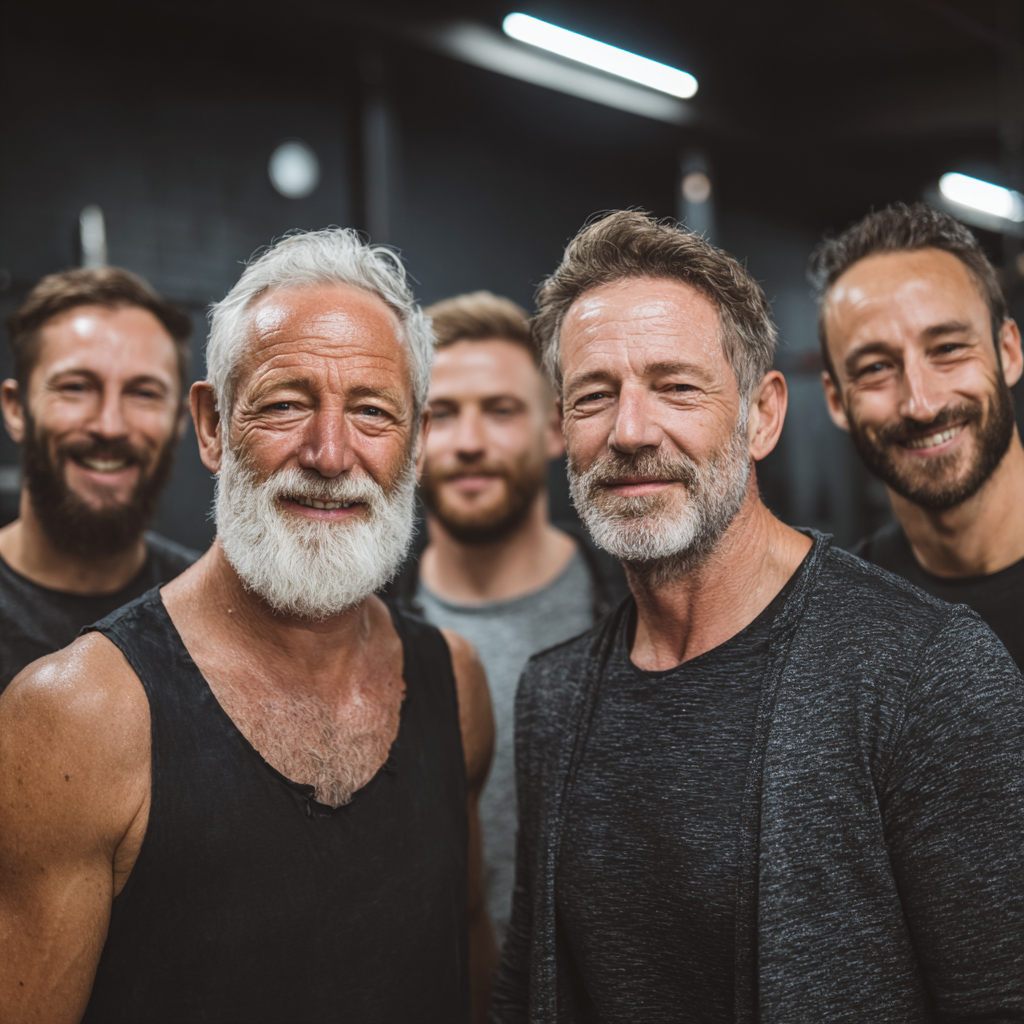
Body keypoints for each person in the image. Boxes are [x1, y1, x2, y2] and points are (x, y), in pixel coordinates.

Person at [491, 211, 1023, 1023]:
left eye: (676, 386)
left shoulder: (927, 672)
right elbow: (528, 989)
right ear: (563, 427)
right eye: (595, 396)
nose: (630, 431)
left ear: (763, 415)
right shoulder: (552, 697)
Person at [0, 229, 497, 1024]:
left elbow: (465, 951)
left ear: (418, 443)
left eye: (373, 412)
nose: (329, 454)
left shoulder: (456, 684)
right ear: (212, 425)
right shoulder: (77, 716)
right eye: (285, 403)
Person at [385, 291, 627, 944]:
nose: (469, 443)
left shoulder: (639, 611)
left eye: (500, 411)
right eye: (441, 414)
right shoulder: (360, 628)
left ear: (555, 428)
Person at [810, 202, 1024, 669]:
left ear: (1008, 353)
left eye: (948, 348)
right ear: (836, 400)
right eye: (876, 368)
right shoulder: (835, 626)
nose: (921, 404)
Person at [0, 268, 199, 691]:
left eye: (144, 393)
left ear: (180, 420)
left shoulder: (212, 611)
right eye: (76, 387)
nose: (110, 426)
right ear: (16, 409)